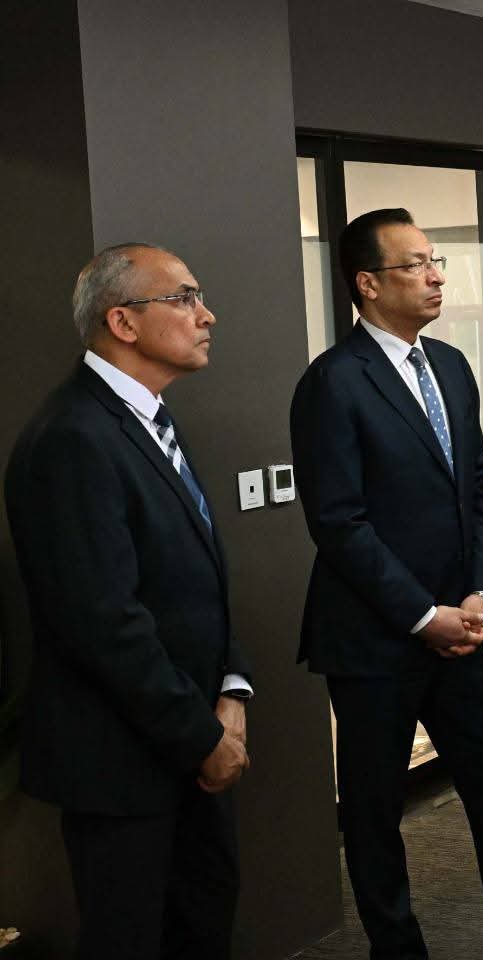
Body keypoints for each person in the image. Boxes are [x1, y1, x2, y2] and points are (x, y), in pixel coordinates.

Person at [290, 209, 483, 960]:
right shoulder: (334, 382)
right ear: (367, 283)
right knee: (374, 809)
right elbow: (339, 522)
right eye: (416, 264)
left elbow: (478, 488)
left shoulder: (449, 365)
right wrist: (423, 614)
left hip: (458, 628)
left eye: (436, 262)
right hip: (374, 638)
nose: (435, 276)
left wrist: (480, 595)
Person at [6, 243, 252, 959]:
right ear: (123, 321)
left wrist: (232, 688)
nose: (206, 315)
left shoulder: (149, 419)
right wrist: (202, 737)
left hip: (193, 736)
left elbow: (198, 579)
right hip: (122, 763)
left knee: (202, 925)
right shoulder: (72, 438)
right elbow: (103, 622)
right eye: (184, 298)